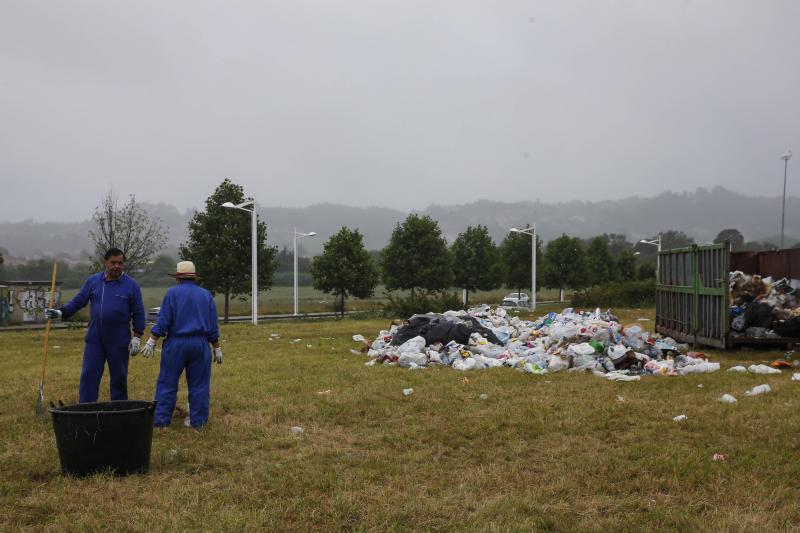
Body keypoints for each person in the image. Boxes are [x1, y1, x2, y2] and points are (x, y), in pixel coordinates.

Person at [45, 247, 145, 403]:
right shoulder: (93, 282)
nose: (117, 266)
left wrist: (137, 337)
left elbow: (138, 312)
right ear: (106, 262)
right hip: (95, 339)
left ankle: (119, 410)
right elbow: (78, 301)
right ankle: (86, 409)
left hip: (119, 340)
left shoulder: (132, 286)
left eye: (120, 263)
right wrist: (61, 312)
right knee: (89, 375)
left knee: (119, 377)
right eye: (113, 263)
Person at [139, 260, 222, 428]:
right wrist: (217, 347)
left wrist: (152, 339)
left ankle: (161, 422)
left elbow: (164, 320)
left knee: (167, 382)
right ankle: (198, 422)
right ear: (194, 278)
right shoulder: (206, 295)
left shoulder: (172, 293)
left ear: (178, 278)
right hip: (200, 344)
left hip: (176, 343)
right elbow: (213, 324)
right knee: (200, 385)